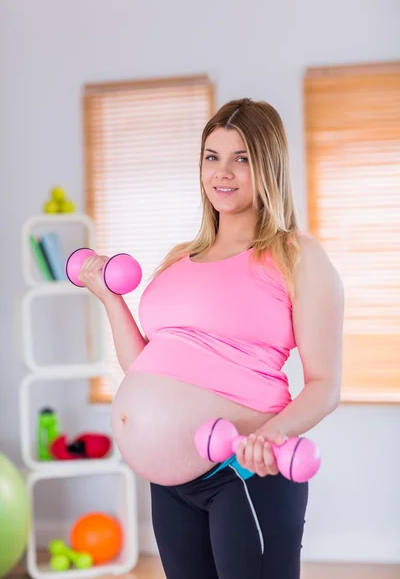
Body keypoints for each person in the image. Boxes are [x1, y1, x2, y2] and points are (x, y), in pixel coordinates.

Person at [78, 98, 344, 579]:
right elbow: (145, 365)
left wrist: (270, 436)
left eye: (241, 157)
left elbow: (325, 384)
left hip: (242, 472)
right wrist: (108, 298)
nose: (223, 172)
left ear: (268, 166)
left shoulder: (295, 255)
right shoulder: (182, 257)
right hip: (169, 484)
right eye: (212, 156)